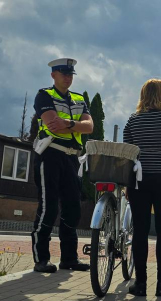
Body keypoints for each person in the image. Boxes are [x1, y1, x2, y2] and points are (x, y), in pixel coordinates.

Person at [31, 58, 93, 273]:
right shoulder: (44, 95)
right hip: (50, 154)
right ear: (53, 75)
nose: (68, 77)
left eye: (70, 74)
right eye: (63, 73)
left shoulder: (79, 99)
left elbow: (90, 127)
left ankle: (69, 259)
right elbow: (52, 125)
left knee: (73, 208)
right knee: (48, 207)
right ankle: (41, 259)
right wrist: (76, 126)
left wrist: (67, 123)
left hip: (72, 158)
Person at [124, 79, 161, 297]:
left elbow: (129, 153)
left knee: (140, 230)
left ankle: (140, 284)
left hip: (140, 179)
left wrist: (129, 183)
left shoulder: (133, 120)